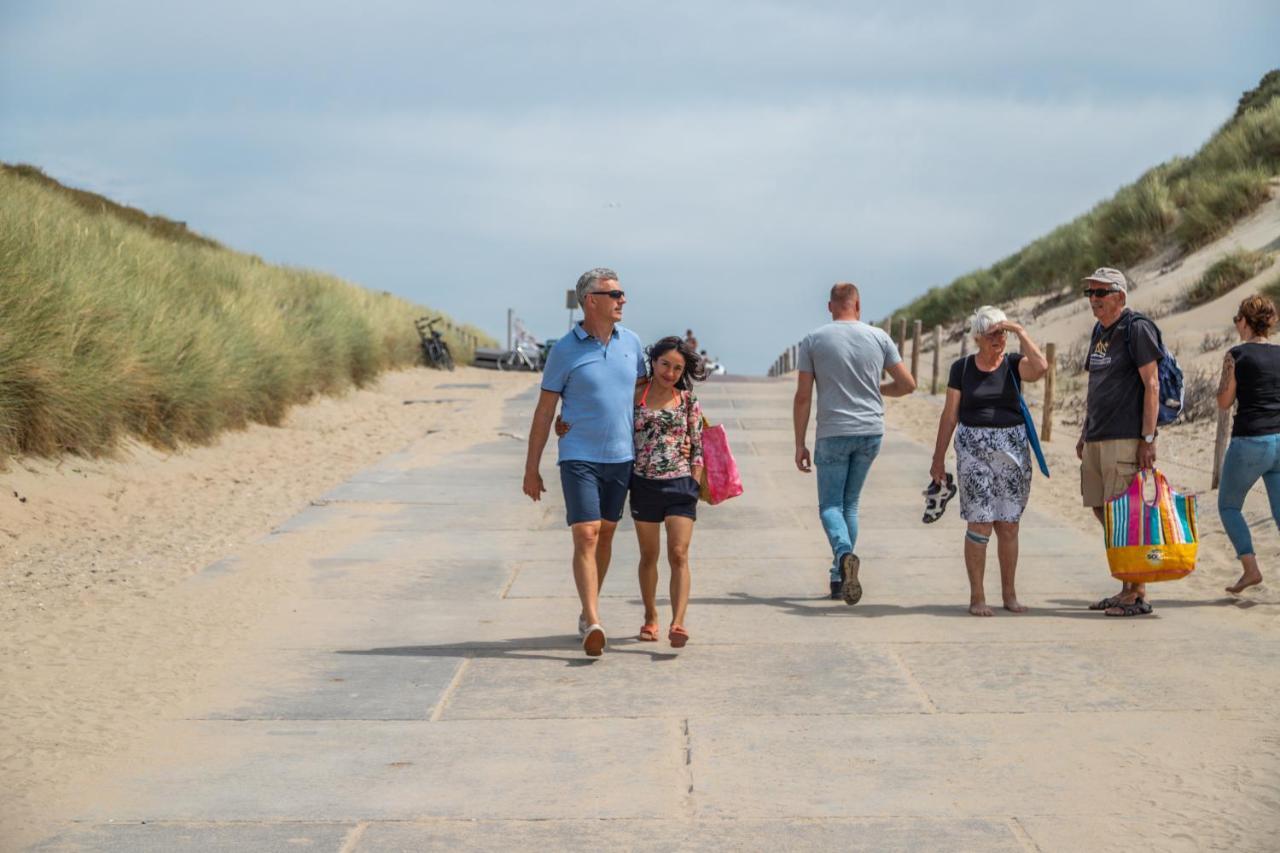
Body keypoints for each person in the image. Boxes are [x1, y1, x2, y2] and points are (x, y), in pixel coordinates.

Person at [523, 267, 646, 656]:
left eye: (622, 294)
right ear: (591, 300)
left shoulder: (633, 344)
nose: (622, 300)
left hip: (621, 456)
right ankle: (593, 619)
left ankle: (585, 609)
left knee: (606, 532)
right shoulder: (564, 349)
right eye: (615, 294)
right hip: (578, 455)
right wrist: (532, 468)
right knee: (586, 533)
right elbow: (544, 412)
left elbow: (645, 398)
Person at [565, 337, 707, 645]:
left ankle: (678, 623)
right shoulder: (634, 398)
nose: (670, 372)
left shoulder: (688, 401)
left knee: (679, 553)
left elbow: (698, 446)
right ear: (653, 363)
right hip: (643, 484)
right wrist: (565, 425)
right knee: (649, 555)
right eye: (665, 364)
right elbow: (608, 423)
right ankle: (650, 617)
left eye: (677, 368)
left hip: (681, 484)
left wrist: (694, 480)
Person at [794, 282, 916, 603]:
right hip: (870, 430)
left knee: (831, 506)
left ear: (830, 306)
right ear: (858, 305)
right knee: (850, 504)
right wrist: (879, 390)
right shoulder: (878, 337)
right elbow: (907, 384)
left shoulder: (813, 340)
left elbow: (803, 396)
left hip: (833, 431)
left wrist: (799, 443)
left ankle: (844, 553)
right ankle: (838, 576)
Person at [930, 306, 1048, 616]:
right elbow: (950, 414)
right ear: (978, 338)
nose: (1000, 339)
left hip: (1012, 449)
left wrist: (1021, 331)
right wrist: (938, 457)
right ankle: (977, 596)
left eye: (1003, 333)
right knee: (980, 522)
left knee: (1008, 524)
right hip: (973, 448)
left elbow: (1041, 368)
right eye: (993, 334)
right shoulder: (963, 369)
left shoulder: (1012, 364)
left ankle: (1009, 594)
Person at [1075, 267, 1162, 617]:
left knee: (1127, 514)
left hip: (1125, 437)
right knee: (1104, 509)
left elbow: (1152, 384)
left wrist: (1148, 438)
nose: (1093, 299)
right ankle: (1126, 585)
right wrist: (1085, 431)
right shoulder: (1100, 330)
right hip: (1098, 434)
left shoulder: (1136, 328)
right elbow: (1096, 384)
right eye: (1090, 293)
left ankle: (1138, 592)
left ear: (1120, 297)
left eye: (1101, 292)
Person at [1216, 294, 1280, 595]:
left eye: (1236, 319)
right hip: (1279, 439)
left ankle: (1251, 569)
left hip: (1250, 440)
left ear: (1244, 321)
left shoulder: (1236, 355)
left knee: (1228, 506)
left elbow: (1224, 402)